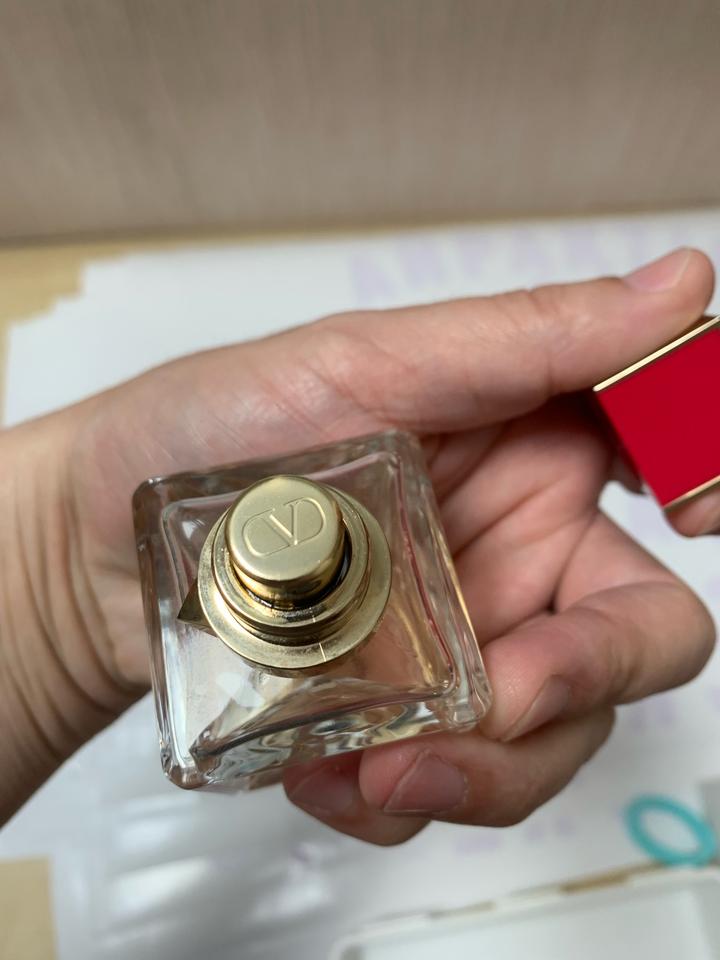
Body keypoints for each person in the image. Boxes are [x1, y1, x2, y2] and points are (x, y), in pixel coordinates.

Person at [0, 247, 716, 847]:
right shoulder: (193, 513)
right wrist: (53, 572)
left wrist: (54, 595)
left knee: (506, 691)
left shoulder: (384, 466)